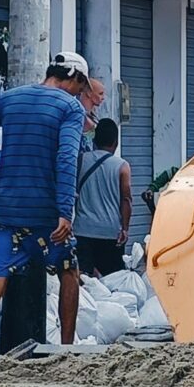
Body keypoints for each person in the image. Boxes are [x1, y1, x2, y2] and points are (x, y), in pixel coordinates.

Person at [0, 54, 90, 369]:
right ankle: (66, 352)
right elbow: (67, 158)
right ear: (75, 78)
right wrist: (65, 211)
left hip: (5, 211)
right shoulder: (70, 108)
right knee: (69, 271)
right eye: (80, 87)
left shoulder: (10, 99)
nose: (78, 94)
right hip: (45, 215)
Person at [74, 117, 132, 278]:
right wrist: (125, 229)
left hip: (82, 231)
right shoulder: (122, 166)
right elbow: (126, 200)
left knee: (85, 281)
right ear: (115, 142)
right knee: (112, 283)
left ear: (95, 140)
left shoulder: (80, 160)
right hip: (110, 233)